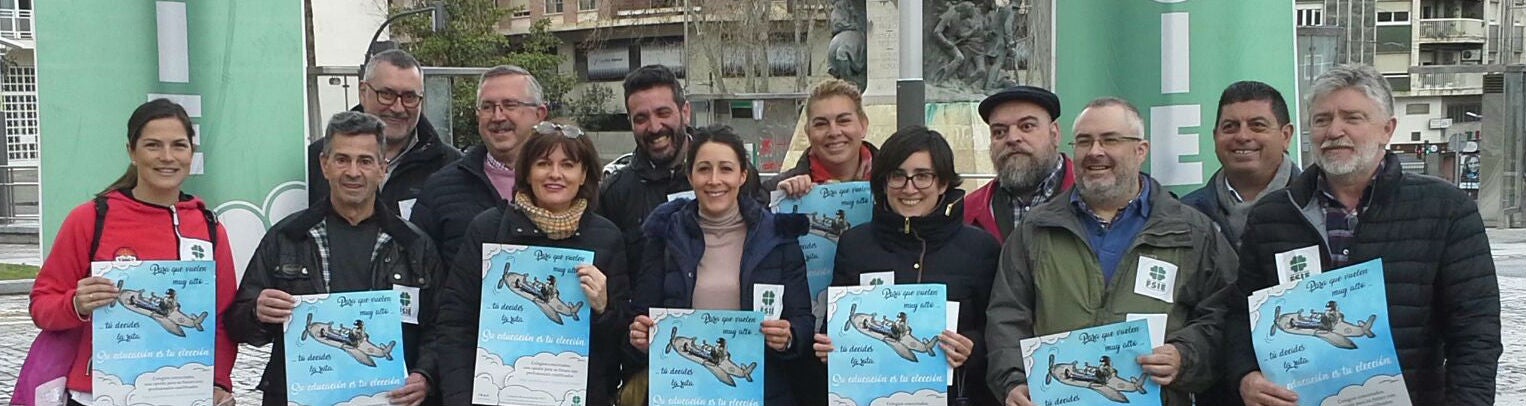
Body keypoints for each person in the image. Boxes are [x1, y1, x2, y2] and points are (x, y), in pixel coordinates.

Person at [1228, 65, 1500, 406]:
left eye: (1352, 118)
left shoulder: (1446, 210)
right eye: (1322, 119)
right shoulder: (1272, 215)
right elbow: (1241, 315)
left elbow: (1476, 332)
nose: (1334, 131)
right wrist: (1245, 375)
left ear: (1387, 129)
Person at [984, 98, 1235, 406]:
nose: (1095, 152)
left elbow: (1224, 313)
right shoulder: (1036, 230)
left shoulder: (1192, 231)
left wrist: (1184, 355)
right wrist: (1013, 381)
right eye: (1084, 142)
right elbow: (1007, 316)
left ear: (1140, 150)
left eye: (1110, 140)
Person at [28, 99, 238, 405]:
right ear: (132, 151)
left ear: (191, 154)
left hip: (183, 393)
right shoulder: (90, 218)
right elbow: (41, 306)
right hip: (97, 395)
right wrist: (76, 304)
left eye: (179, 146)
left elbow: (222, 317)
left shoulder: (208, 227)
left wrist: (219, 381)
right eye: (153, 145)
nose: (167, 157)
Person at [231, 111, 442, 406]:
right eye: (342, 159)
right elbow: (239, 324)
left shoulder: (415, 245)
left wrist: (425, 376)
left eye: (365, 161)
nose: (353, 172)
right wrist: (257, 311)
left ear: (382, 168)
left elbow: (440, 327)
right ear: (324, 164)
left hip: (386, 399)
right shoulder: (287, 237)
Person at [434, 121, 627, 405]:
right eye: (543, 164)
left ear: (584, 174)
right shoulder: (488, 229)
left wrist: (604, 309)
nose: (555, 174)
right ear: (526, 171)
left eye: (568, 165)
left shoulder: (607, 237)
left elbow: (619, 347)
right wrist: (462, 398)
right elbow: (455, 324)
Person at [813, 125, 1001, 406]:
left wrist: (971, 349)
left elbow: (1000, 334)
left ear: (943, 183)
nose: (909, 188)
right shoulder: (855, 244)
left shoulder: (981, 248)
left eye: (922, 176)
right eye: (897, 176)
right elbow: (833, 327)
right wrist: (829, 348)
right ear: (884, 183)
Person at [627, 125, 812, 405]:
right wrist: (639, 336)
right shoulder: (664, 235)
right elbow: (641, 314)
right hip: (682, 392)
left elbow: (803, 319)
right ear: (690, 176)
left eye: (725, 169)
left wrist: (789, 337)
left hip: (762, 393)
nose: (715, 180)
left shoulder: (778, 237)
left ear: (742, 175)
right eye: (704, 169)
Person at [411, 65, 548, 265]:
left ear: (539, 113)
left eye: (510, 105)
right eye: (487, 107)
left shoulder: (567, 187)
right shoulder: (440, 189)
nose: (498, 116)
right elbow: (418, 269)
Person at [306, 49, 462, 214]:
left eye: (410, 97)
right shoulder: (315, 160)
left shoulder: (450, 166)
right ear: (363, 92)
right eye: (387, 94)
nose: (398, 108)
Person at [598, 65, 695, 289]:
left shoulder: (728, 178)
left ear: (685, 112)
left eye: (663, 113)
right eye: (641, 118)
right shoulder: (615, 194)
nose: (654, 127)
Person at [1183, 81, 1300, 248]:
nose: (1242, 136)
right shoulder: (1186, 216)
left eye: (1257, 126)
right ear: (1215, 136)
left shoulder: (1318, 208)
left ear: (1286, 136)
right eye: (1230, 127)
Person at [967, 85, 1075, 243]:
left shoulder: (1092, 201)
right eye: (999, 132)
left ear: (1055, 134)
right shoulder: (969, 212)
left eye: (1027, 126)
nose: (1012, 138)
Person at [765, 78, 877, 198]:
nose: (834, 132)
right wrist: (779, 205)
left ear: (863, 125)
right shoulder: (772, 192)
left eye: (843, 121)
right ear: (808, 132)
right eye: (821, 124)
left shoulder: (893, 184)